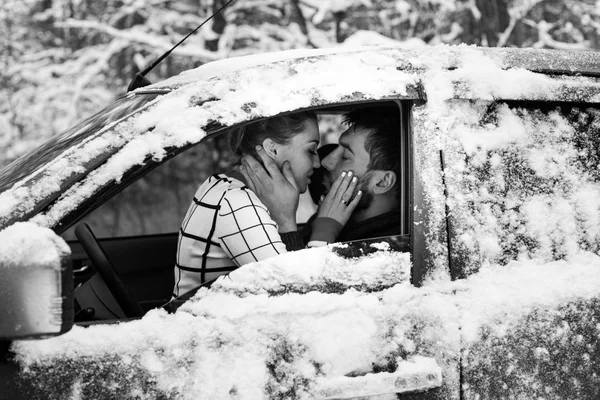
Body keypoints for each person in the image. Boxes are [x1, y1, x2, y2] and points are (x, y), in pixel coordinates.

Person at [173, 111, 357, 298]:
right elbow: (299, 299)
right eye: (310, 150)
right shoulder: (237, 203)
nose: (318, 163)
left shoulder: (226, 186)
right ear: (272, 149)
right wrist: (322, 227)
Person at [244, 106, 401, 246]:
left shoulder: (389, 248)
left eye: (345, 156)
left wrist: (286, 223)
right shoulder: (329, 218)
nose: (326, 161)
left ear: (382, 182)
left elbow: (297, 278)